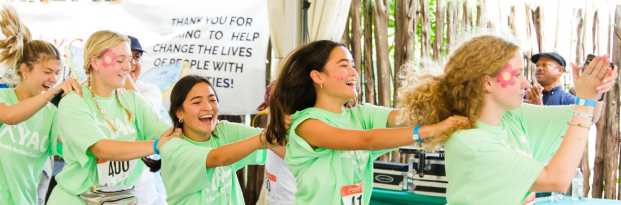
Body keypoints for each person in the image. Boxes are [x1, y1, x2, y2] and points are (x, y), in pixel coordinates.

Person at [396, 34, 617, 204]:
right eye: (517, 74)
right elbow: (557, 179)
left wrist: (596, 89)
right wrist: (586, 101)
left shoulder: (513, 117)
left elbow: (589, 116)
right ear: (487, 83)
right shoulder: (471, 143)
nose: (526, 84)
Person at [265, 40, 469, 204]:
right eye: (344, 66)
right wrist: (429, 130)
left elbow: (408, 116)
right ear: (318, 77)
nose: (354, 72)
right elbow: (367, 140)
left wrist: (455, 99)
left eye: (353, 65)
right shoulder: (306, 125)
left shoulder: (362, 116)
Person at [46, 30, 181, 204]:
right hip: (77, 199)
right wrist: (156, 145)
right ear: (95, 62)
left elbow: (168, 133)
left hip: (120, 199)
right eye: (119, 60)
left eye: (129, 59)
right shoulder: (74, 102)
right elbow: (101, 149)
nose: (128, 66)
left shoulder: (133, 100)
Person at [0, 5, 82, 205]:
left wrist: (76, 108)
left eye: (56, 72)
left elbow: (71, 145)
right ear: (25, 70)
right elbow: (9, 116)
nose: (53, 78)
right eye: (47, 71)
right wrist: (51, 94)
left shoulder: (51, 114)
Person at [141, 75, 283, 204]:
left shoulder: (223, 131)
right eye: (197, 102)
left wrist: (284, 100)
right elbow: (217, 157)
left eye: (212, 100)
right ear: (179, 113)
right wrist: (264, 138)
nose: (208, 107)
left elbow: (278, 141)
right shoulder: (173, 147)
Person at [125, 35, 168, 205]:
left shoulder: (149, 90)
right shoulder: (99, 94)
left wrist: (122, 72)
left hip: (144, 191)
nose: (132, 63)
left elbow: (144, 113)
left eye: (136, 57)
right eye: (126, 58)